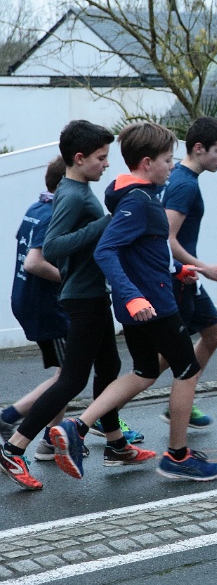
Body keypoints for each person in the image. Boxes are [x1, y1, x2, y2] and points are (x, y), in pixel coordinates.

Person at [48, 121, 217, 483]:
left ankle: (78, 426)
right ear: (147, 163)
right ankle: (177, 456)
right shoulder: (138, 201)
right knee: (187, 370)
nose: (173, 166)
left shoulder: (136, 195)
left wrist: (178, 271)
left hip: (146, 300)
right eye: (168, 160)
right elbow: (107, 250)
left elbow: (141, 252)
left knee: (144, 371)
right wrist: (133, 296)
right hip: (152, 305)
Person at [0, 121, 148, 491]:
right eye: (101, 158)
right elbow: (52, 247)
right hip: (82, 297)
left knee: (109, 366)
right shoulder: (72, 195)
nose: (106, 164)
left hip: (92, 293)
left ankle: (116, 444)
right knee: (72, 378)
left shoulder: (78, 189)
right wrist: (105, 224)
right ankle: (13, 449)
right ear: (79, 159)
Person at [157, 116, 217, 430]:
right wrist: (206, 269)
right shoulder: (184, 184)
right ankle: (107, 413)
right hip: (178, 278)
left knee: (215, 333)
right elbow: (167, 238)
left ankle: (182, 404)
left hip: (186, 277)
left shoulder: (179, 176)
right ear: (199, 148)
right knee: (159, 361)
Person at [1, 157, 78, 463]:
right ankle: (8, 417)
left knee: (66, 373)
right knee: (69, 376)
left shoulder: (36, 208)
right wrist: (71, 278)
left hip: (28, 299)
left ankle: (50, 440)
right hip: (47, 306)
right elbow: (33, 262)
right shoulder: (51, 214)